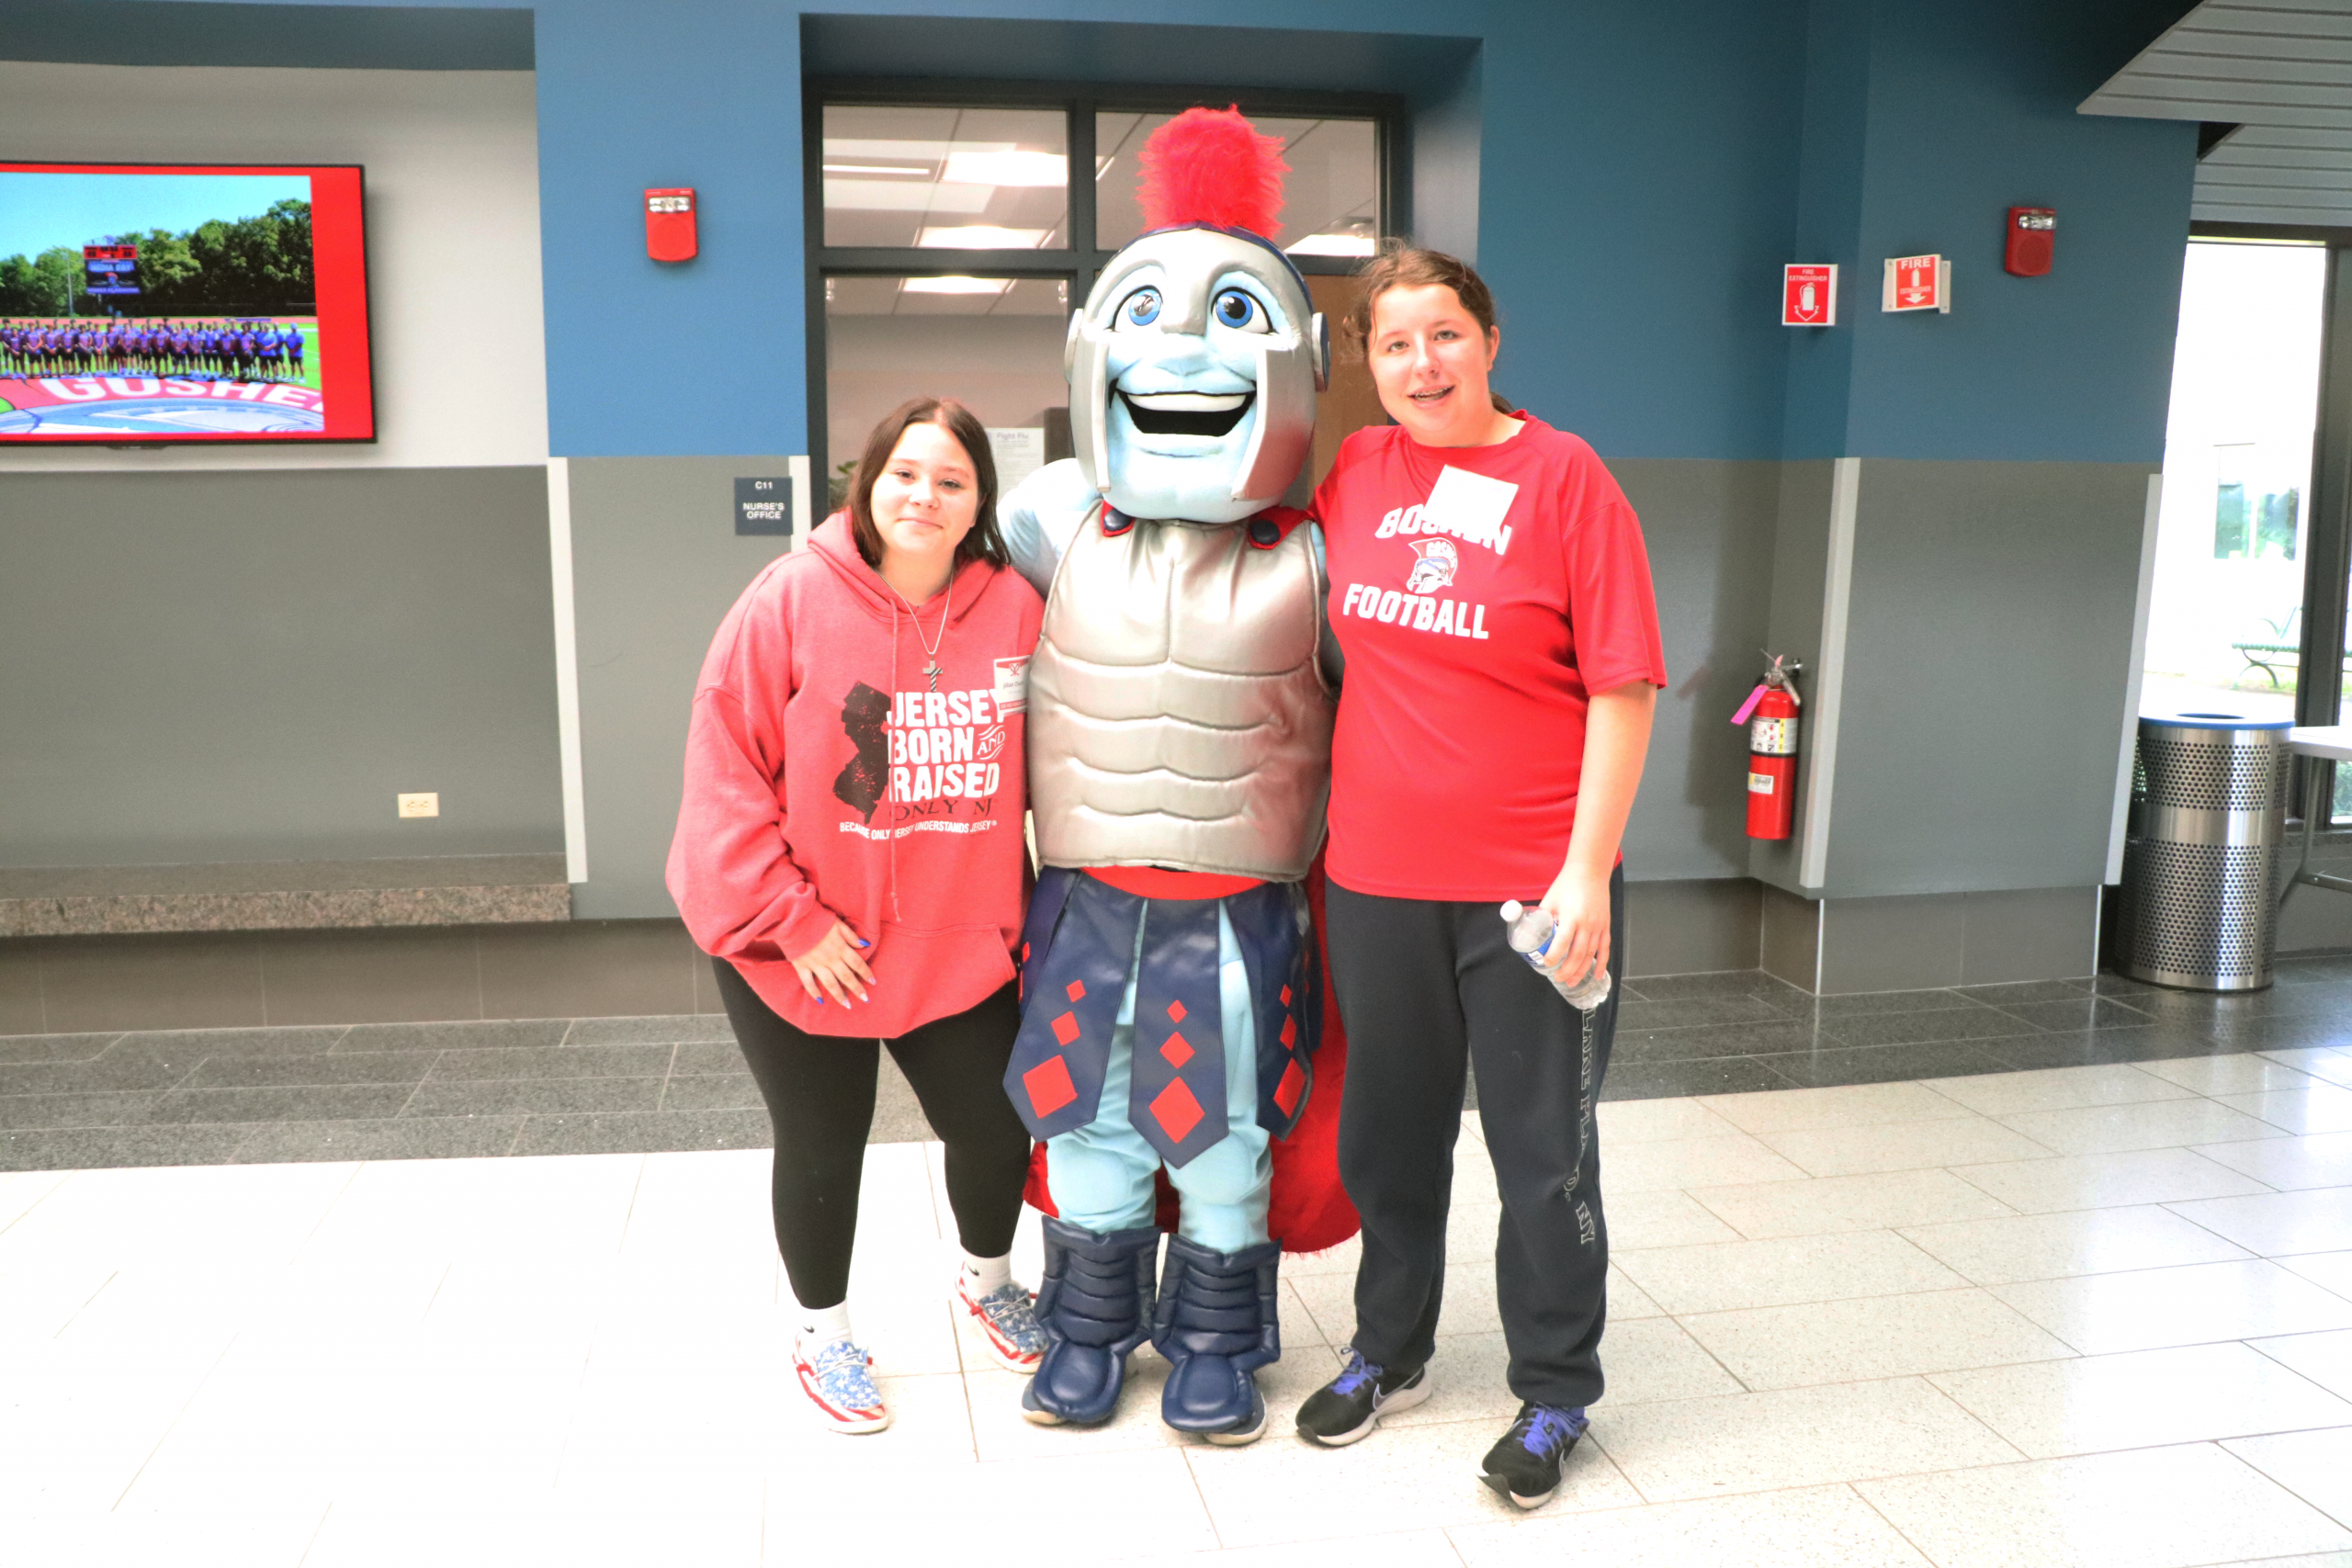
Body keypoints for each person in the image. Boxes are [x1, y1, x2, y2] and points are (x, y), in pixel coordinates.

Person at [997, 107, 1354, 1448]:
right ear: (1093, 349)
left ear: (1304, 366)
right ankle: (1087, 1326)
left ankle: (1215, 1341)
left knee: (1220, 1139)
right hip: (1084, 897)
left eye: (1235, 314)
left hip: (1238, 910)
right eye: (1145, 308)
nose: (1186, 347)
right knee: (1087, 1126)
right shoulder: (1046, 520)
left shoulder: (1323, 557)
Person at [1293, 245, 1666, 1510]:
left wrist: (1589, 872)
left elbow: (1623, 688)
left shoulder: (1567, 479)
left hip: (1530, 891)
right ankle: (1387, 1350)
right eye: (1394, 344)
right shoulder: (1358, 472)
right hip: (1378, 879)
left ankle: (1556, 1387)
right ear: (1369, 364)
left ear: (1489, 339)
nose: (1421, 363)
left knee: (1539, 1153)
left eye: (1443, 333)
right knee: (1387, 1140)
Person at [667, 397, 1049, 1435]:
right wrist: (791, 921)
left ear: (980, 503)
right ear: (868, 484)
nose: (924, 496)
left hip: (957, 939)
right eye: (905, 474)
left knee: (994, 1126)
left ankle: (987, 1278)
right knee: (823, 1139)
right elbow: (723, 773)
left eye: (952, 480)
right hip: (806, 942)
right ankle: (822, 1333)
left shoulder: (1016, 609)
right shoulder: (789, 596)